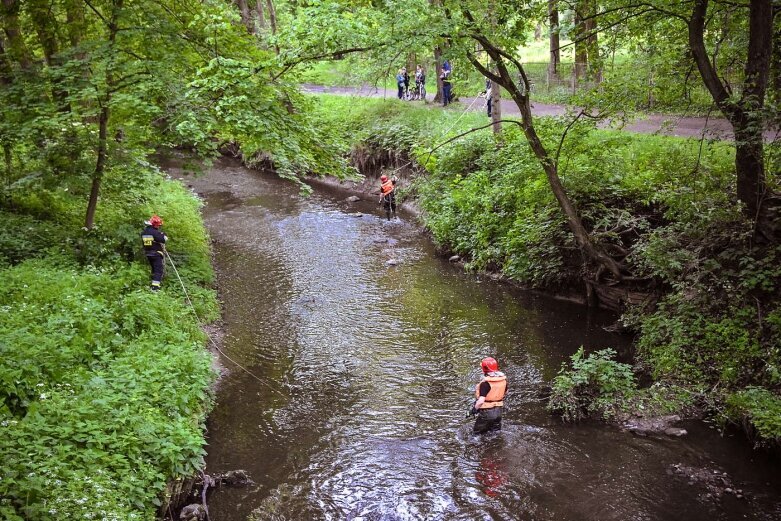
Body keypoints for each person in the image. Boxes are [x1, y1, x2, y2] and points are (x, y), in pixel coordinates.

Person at [468, 357, 507, 434]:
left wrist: (474, 410)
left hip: (486, 413)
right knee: (496, 432)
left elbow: (481, 401)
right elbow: (505, 393)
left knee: (477, 433)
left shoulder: (485, 384)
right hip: (498, 411)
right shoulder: (503, 381)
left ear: (484, 369)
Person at [141, 215, 167, 291]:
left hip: (148, 253)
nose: (158, 226)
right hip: (156, 254)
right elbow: (163, 240)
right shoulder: (154, 232)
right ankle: (155, 288)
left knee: (154, 269)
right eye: (158, 225)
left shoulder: (144, 232)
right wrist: (163, 235)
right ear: (154, 224)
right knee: (158, 270)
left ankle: (153, 284)